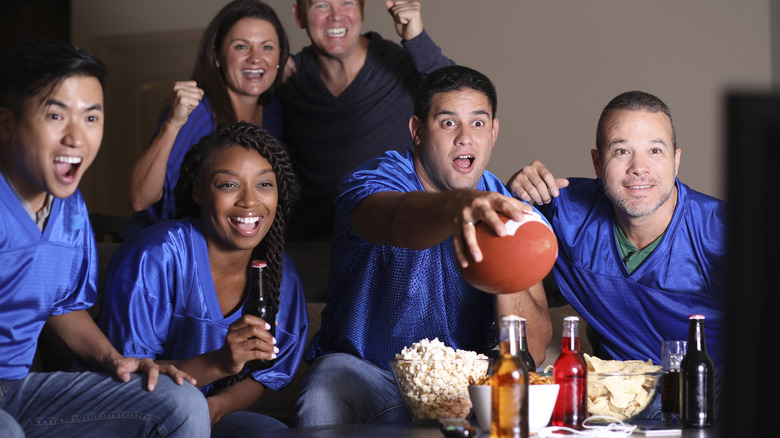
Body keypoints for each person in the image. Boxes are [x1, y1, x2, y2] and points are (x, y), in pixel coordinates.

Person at [292, 65, 553, 426]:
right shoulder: (372, 179)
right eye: (448, 123)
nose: (464, 138)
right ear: (417, 130)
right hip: (368, 373)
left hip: (463, 383)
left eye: (478, 123)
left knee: (524, 397)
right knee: (326, 386)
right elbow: (399, 221)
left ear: (494, 132)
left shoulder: (506, 206)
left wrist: (503, 249)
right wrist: (461, 205)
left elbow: (532, 350)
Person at [0, 39, 209, 437]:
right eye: (56, 115)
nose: (76, 137)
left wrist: (115, 359)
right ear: (6, 123)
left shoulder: (70, 208)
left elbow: (62, 306)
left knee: (180, 403)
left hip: (17, 391)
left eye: (91, 118)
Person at [507, 91, 726, 413]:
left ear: (676, 160)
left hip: (713, 405)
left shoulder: (721, 232)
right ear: (598, 162)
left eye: (655, 150)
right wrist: (515, 192)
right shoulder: (563, 211)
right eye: (621, 151)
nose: (639, 168)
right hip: (615, 408)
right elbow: (501, 226)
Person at [100, 122, 308, 436]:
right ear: (198, 191)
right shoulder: (156, 255)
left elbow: (264, 374)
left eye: (265, 184)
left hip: (216, 414)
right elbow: (130, 377)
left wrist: (215, 408)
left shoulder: (280, 273)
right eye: (229, 184)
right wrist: (220, 363)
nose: (250, 201)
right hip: (132, 413)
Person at [278, 0, 455, 242]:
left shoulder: (400, 64)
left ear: (361, 9)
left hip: (387, 239)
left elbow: (461, 97)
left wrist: (417, 38)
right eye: (320, 5)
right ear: (299, 16)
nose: (335, 16)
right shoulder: (290, 75)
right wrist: (271, 63)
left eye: (346, 2)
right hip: (309, 243)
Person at [123, 0, 290, 239]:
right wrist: (173, 123)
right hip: (165, 246)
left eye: (267, 47)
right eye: (241, 46)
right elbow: (139, 199)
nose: (255, 58)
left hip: (227, 245)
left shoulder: (275, 110)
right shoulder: (197, 113)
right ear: (217, 55)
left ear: (280, 56)